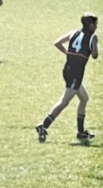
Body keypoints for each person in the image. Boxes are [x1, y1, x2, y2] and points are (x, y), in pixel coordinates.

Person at [36, 14, 99, 143]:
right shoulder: (93, 37)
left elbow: (57, 43)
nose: (97, 26)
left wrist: (67, 53)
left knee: (84, 98)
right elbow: (95, 55)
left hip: (67, 69)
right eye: (96, 24)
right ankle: (43, 125)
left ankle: (81, 132)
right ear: (91, 25)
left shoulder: (73, 33)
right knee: (64, 101)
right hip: (76, 73)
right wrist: (94, 45)